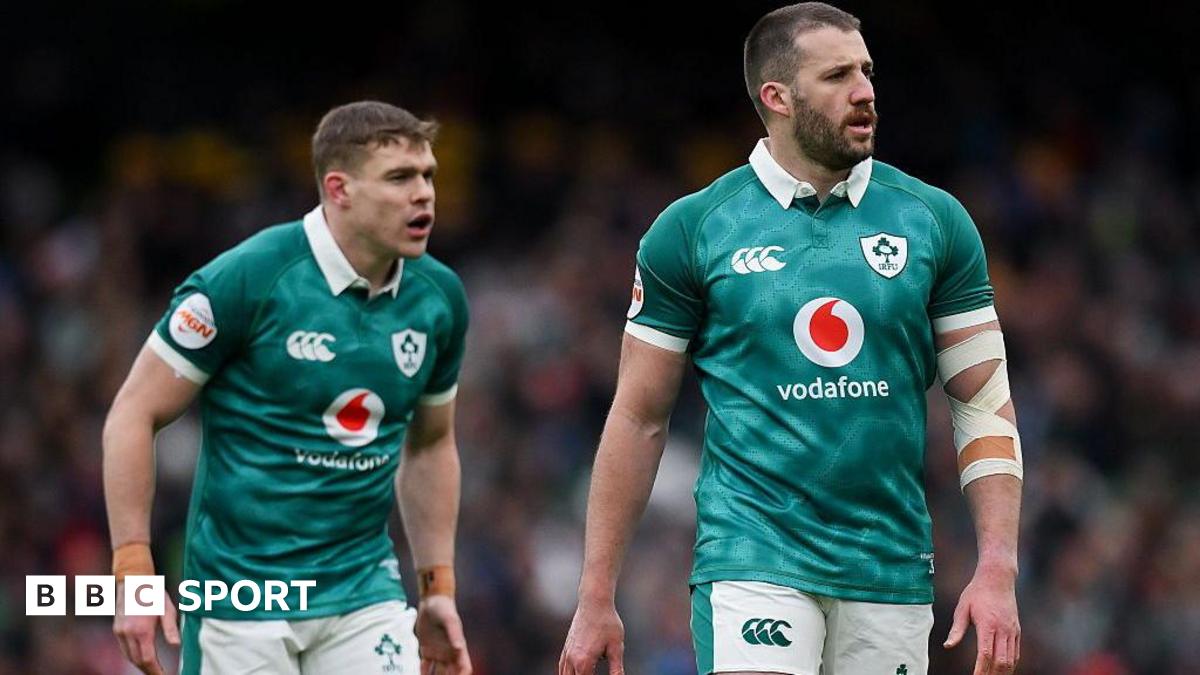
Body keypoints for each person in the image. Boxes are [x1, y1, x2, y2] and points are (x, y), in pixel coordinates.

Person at [559, 4, 1022, 674]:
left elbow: (983, 403)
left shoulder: (935, 221)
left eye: (866, 71)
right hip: (753, 554)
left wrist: (997, 568)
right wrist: (596, 592)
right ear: (776, 97)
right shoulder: (694, 230)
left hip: (888, 564)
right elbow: (638, 416)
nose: (865, 90)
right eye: (837, 76)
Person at [102, 101, 472, 675]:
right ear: (339, 189)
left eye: (427, 176)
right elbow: (133, 412)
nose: (423, 193)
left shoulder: (439, 298)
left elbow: (429, 444)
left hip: (362, 591)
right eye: (400, 178)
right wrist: (132, 570)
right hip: (241, 597)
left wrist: (437, 586)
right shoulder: (247, 279)